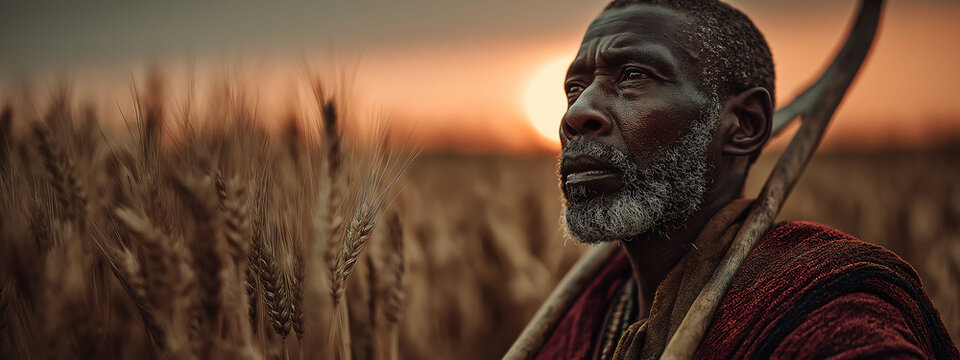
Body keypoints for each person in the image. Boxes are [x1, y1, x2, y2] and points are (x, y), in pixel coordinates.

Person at [537, 0, 960, 359]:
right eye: (574, 88)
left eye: (632, 76)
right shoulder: (589, 311)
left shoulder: (825, 302)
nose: (575, 115)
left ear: (743, 124)